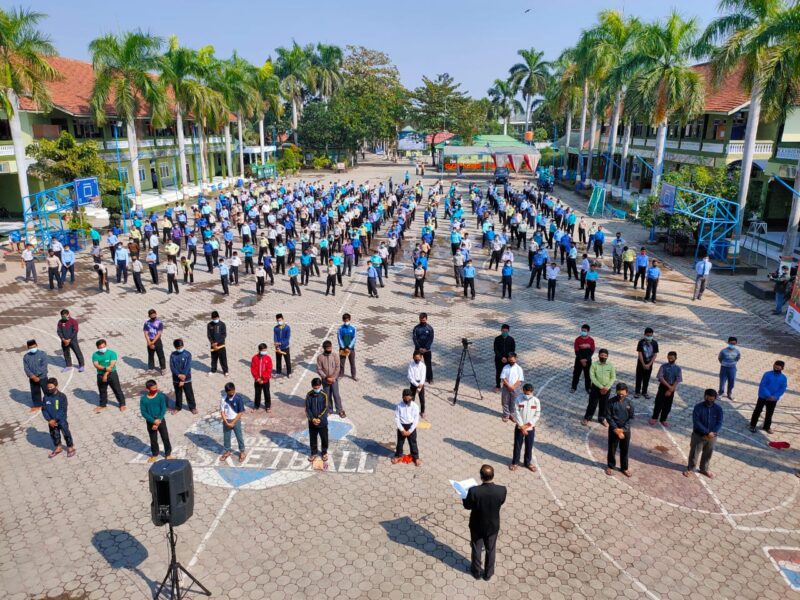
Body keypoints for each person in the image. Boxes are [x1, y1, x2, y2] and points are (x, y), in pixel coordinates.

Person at [463, 464, 507, 581]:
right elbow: (501, 502)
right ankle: (488, 574)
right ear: (493, 475)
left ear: (481, 477)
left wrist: (464, 496)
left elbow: (467, 506)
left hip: (477, 525)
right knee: (491, 549)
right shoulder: (502, 490)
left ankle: (476, 572)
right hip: (492, 526)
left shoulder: (474, 491)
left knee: (476, 548)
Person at [685, 390, 723, 478]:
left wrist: (712, 433)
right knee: (694, 453)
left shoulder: (718, 409)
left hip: (712, 437)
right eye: (708, 399)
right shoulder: (698, 407)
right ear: (704, 396)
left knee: (708, 453)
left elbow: (719, 422)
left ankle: (704, 469)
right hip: (698, 435)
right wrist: (707, 433)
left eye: (712, 399)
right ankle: (691, 468)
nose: (709, 401)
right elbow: (696, 422)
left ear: (715, 399)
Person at [749, 360, 788, 434]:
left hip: (773, 399)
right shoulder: (767, 374)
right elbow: (763, 385)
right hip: (763, 397)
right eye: (775, 367)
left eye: (778, 368)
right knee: (757, 411)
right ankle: (752, 425)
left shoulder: (783, 378)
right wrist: (769, 395)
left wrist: (775, 396)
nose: (775, 369)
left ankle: (767, 427)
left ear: (782, 368)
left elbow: (782, 388)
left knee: (769, 413)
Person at [509, 383, 540, 472]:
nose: (527, 395)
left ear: (532, 392)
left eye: (529, 393)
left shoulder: (536, 401)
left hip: (530, 428)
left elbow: (537, 415)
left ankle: (527, 463)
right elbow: (516, 413)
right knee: (517, 445)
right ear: (523, 391)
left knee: (529, 446)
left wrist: (527, 426)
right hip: (519, 427)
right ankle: (515, 462)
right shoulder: (518, 399)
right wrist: (522, 427)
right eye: (526, 393)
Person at [140, 380, 173, 463]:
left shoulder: (160, 396)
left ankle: (168, 453)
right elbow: (143, 412)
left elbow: (163, 408)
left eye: (156, 387)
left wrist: (159, 419)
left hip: (160, 420)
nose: (155, 389)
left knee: (165, 437)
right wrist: (153, 421)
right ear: (147, 389)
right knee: (153, 439)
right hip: (150, 422)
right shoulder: (143, 399)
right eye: (153, 388)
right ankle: (155, 454)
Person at [42, 378, 75, 458]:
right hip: (51, 422)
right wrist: (49, 420)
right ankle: (58, 447)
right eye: (48, 387)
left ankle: (70, 447)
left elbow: (63, 410)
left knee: (66, 433)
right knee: (54, 434)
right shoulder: (46, 397)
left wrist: (55, 419)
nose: (49, 389)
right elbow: (44, 409)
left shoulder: (62, 397)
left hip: (61, 420)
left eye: (51, 387)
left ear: (56, 386)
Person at [606, 383, 634, 477]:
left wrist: (623, 429)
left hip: (625, 431)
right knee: (612, 448)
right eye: (618, 393)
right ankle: (610, 466)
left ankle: (624, 468)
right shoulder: (610, 402)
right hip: (614, 430)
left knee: (625, 449)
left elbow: (631, 418)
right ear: (616, 392)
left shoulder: (629, 403)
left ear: (626, 393)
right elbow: (609, 417)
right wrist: (616, 429)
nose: (620, 395)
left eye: (622, 394)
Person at [583, 349, 615, 426]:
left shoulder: (610, 366)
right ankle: (587, 418)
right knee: (592, 404)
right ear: (599, 355)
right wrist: (601, 387)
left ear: (607, 357)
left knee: (604, 404)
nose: (603, 357)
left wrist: (607, 387)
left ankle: (602, 418)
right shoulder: (594, 365)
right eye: (602, 355)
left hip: (607, 388)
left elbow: (613, 377)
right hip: (595, 388)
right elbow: (592, 377)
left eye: (605, 356)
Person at [92, 339, 125, 412]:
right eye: (100, 347)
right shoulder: (95, 355)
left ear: (106, 345)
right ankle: (103, 405)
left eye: (103, 347)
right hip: (100, 374)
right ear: (97, 347)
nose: (102, 348)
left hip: (112, 374)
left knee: (117, 389)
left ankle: (122, 404)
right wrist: (104, 368)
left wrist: (105, 375)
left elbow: (111, 366)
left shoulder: (112, 353)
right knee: (102, 390)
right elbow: (96, 365)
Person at [650, 351, 682, 426]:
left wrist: (671, 389)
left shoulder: (678, 369)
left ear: (675, 358)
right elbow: (660, 377)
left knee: (668, 405)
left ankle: (663, 419)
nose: (670, 359)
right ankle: (654, 417)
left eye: (672, 358)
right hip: (663, 386)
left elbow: (678, 379)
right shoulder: (663, 366)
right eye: (669, 358)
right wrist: (669, 387)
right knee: (658, 403)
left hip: (672, 387)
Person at [391, 389, 421, 466]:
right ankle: (398, 455)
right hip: (402, 426)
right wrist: (402, 429)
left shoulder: (415, 406)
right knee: (400, 442)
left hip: (411, 426)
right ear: (403, 397)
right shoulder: (399, 406)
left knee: (413, 442)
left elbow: (416, 419)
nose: (407, 401)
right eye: (405, 399)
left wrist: (410, 430)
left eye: (409, 399)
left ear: (412, 398)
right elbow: (397, 418)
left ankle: (415, 457)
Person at [219, 382, 246, 462]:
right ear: (226, 392)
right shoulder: (223, 399)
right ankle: (227, 451)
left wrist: (233, 422)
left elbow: (240, 412)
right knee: (226, 437)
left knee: (239, 436)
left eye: (233, 391)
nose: (232, 393)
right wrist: (226, 422)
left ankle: (242, 452)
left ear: (234, 389)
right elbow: (222, 412)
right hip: (226, 421)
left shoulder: (238, 398)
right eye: (230, 392)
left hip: (236, 421)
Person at [317, 341, 344, 417]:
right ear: (324, 348)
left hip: (334, 379)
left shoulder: (335, 355)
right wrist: (325, 377)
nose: (330, 349)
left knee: (336, 394)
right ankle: (329, 410)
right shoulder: (320, 357)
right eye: (328, 348)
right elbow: (319, 369)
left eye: (330, 347)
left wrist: (333, 378)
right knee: (327, 395)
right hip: (325, 380)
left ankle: (340, 410)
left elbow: (338, 367)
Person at [305, 378, 329, 461]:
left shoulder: (324, 395)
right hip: (312, 422)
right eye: (315, 388)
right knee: (313, 438)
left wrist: (318, 418)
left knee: (324, 438)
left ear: (320, 386)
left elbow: (326, 408)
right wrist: (312, 419)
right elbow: (307, 408)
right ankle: (313, 453)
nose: (316, 389)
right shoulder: (309, 395)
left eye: (318, 387)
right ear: (312, 387)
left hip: (322, 422)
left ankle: (324, 452)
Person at [169, 339, 196, 414]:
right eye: (178, 348)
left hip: (186, 378)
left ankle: (192, 407)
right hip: (176, 378)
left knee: (189, 393)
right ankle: (178, 407)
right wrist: (178, 375)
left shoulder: (188, 354)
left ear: (183, 346)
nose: (179, 349)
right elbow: (172, 367)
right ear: (175, 347)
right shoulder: (173, 355)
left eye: (181, 347)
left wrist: (183, 378)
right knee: (178, 393)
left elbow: (187, 366)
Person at [23, 340, 48, 413]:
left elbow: (44, 366)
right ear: (28, 348)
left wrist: (37, 375)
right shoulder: (26, 357)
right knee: (35, 392)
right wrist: (32, 376)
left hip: (42, 377)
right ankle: (37, 405)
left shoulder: (43, 354)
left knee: (47, 391)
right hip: (32, 378)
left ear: (37, 345)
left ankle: (49, 404)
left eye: (34, 347)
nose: (33, 348)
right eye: (31, 347)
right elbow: (26, 368)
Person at [634, 328, 659, 399]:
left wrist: (649, 364)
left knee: (647, 378)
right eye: (648, 335)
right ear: (644, 334)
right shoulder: (641, 342)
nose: (649, 337)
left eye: (651, 335)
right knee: (639, 378)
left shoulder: (654, 343)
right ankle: (637, 392)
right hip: (640, 364)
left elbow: (655, 355)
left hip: (649, 364)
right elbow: (640, 353)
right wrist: (643, 364)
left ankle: (644, 392)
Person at [499, 352, 524, 423]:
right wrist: (509, 386)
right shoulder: (505, 367)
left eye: (512, 360)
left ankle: (512, 415)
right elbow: (503, 378)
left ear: (515, 359)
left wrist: (513, 387)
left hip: (516, 388)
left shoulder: (519, 368)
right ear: (508, 359)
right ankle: (506, 415)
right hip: (506, 387)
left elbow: (520, 380)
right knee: (505, 401)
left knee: (514, 402)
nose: (511, 361)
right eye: (510, 360)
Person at [250, 342, 274, 412]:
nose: (265, 352)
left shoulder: (268, 358)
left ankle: (268, 406)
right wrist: (257, 378)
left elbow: (269, 369)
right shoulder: (254, 358)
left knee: (267, 393)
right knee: (257, 393)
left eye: (265, 350)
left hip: (265, 380)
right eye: (263, 350)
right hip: (257, 380)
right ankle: (256, 406)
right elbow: (253, 369)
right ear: (259, 350)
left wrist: (263, 378)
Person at [571, 324, 594, 394]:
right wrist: (581, 359)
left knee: (588, 375)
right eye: (582, 330)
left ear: (588, 331)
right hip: (579, 360)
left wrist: (586, 359)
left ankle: (588, 388)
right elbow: (576, 351)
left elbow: (592, 351)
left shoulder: (591, 340)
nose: (582, 332)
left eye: (584, 331)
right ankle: (573, 387)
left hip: (588, 360)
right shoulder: (577, 339)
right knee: (576, 374)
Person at [412, 313, 434, 384]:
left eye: (424, 320)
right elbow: (414, 339)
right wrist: (419, 348)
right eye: (421, 320)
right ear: (419, 319)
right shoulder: (416, 328)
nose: (422, 321)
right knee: (416, 363)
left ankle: (429, 378)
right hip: (418, 349)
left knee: (428, 364)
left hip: (427, 350)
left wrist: (426, 348)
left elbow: (431, 339)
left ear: (426, 319)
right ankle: (416, 378)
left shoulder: (430, 328)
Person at [493, 324, 516, 392]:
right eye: (503, 331)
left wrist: (507, 358)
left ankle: (507, 386)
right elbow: (495, 350)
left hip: (508, 360)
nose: (504, 332)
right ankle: (498, 386)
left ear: (508, 331)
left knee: (508, 373)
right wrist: (501, 358)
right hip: (499, 359)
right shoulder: (497, 339)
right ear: (501, 330)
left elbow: (512, 350)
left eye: (506, 331)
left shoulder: (511, 339)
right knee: (499, 373)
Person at [143, 309, 166, 375]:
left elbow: (159, 334)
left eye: (154, 314)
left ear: (156, 314)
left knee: (160, 355)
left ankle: (163, 368)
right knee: (150, 355)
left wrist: (152, 342)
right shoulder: (147, 323)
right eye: (151, 315)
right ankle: (151, 368)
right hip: (149, 340)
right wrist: (149, 342)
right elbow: (146, 333)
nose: (153, 316)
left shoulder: (159, 323)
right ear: (149, 316)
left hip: (157, 341)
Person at [207, 311, 229, 376]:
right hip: (213, 345)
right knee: (213, 358)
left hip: (221, 345)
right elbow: (209, 335)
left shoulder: (222, 324)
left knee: (223, 359)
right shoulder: (209, 325)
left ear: (218, 317)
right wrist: (212, 343)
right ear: (212, 318)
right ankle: (213, 370)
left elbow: (224, 335)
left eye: (216, 318)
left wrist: (217, 342)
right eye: (213, 319)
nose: (215, 320)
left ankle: (225, 371)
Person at [407, 351, 427, 418]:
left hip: (421, 384)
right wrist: (416, 384)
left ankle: (422, 411)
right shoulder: (411, 365)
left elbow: (423, 376)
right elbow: (410, 377)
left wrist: (420, 384)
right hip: (413, 384)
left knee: (422, 399)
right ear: (413, 357)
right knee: (411, 398)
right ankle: (410, 411)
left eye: (418, 358)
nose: (417, 360)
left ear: (421, 358)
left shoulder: (423, 366)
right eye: (416, 358)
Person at [338, 314, 357, 380]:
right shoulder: (340, 328)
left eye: (347, 320)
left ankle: (353, 375)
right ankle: (341, 374)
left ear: (349, 319)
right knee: (342, 363)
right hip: (342, 349)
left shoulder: (353, 328)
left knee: (352, 363)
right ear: (343, 320)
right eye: (345, 320)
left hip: (351, 349)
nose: (346, 321)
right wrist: (343, 347)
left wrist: (349, 347)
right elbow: (339, 338)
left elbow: (354, 338)